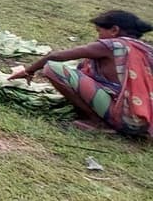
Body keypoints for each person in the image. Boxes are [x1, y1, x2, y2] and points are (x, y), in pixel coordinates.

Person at [9, 10, 153, 136]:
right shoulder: (146, 50)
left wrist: (29, 71)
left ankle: (96, 121)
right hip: (142, 121)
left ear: (114, 30)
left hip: (122, 118)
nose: (98, 37)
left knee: (52, 68)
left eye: (99, 31)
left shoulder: (113, 44)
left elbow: (54, 57)